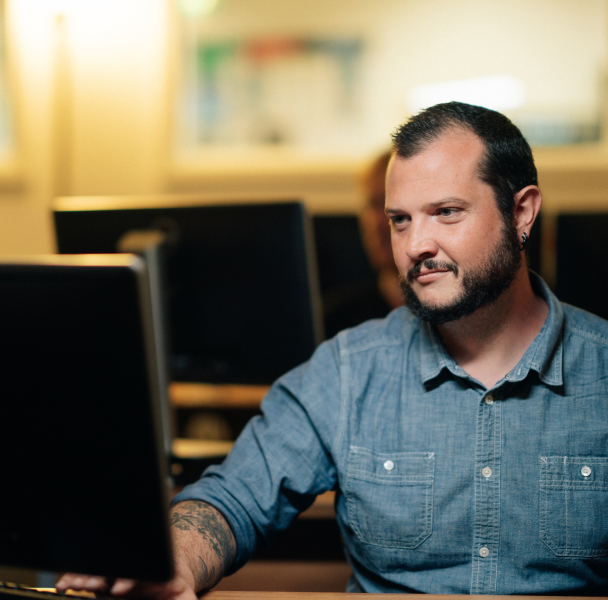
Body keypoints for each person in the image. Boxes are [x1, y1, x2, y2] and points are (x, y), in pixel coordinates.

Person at [57, 102, 608, 597]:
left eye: (446, 212)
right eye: (400, 220)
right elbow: (232, 499)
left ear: (522, 213)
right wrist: (177, 561)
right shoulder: (347, 370)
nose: (415, 246)